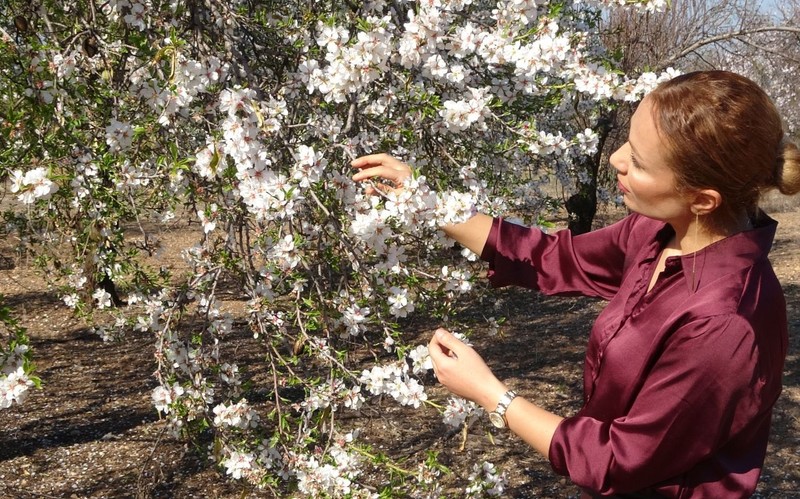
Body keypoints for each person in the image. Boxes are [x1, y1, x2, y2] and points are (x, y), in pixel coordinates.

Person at [351, 70, 800, 498]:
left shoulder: (724, 325)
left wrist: (492, 395)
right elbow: (553, 257)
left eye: (639, 162)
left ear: (701, 199)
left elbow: (618, 458)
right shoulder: (655, 233)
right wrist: (423, 200)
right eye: (627, 139)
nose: (616, 159)